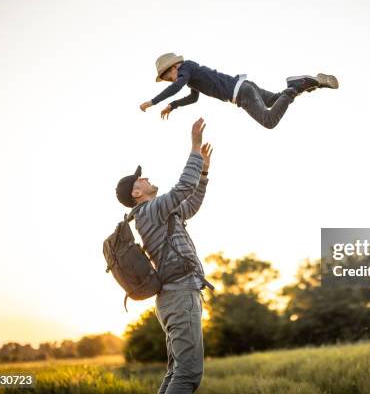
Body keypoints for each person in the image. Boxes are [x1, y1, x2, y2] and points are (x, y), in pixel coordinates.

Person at [115, 118, 212, 394]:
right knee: (188, 374)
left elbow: (189, 204)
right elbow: (182, 188)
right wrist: (194, 147)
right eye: (140, 179)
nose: (145, 178)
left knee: (176, 373)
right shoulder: (151, 210)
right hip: (179, 294)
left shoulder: (157, 213)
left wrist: (203, 174)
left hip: (174, 295)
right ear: (136, 192)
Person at [139, 52, 339, 129]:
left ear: (174, 67)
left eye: (168, 78)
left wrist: (153, 102)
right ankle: (309, 83)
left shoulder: (185, 69)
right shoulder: (190, 77)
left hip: (242, 93)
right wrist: (173, 106)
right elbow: (193, 98)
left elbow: (177, 85)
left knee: (269, 121)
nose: (170, 81)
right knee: (274, 101)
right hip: (245, 87)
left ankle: (294, 87)